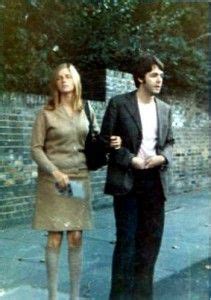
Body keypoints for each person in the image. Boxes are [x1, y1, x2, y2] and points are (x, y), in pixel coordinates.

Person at [100, 54, 174, 300]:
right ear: (140, 77)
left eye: (161, 75)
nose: (159, 80)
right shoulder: (119, 104)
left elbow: (170, 143)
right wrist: (127, 156)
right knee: (126, 244)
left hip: (155, 183)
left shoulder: (165, 109)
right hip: (128, 182)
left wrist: (162, 158)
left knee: (150, 246)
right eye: (154, 75)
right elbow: (105, 141)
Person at [31, 63, 99, 300]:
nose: (63, 80)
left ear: (76, 80)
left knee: (75, 236)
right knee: (55, 236)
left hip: (78, 179)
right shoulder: (46, 112)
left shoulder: (86, 110)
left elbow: (94, 140)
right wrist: (54, 171)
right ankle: (52, 296)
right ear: (55, 83)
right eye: (59, 77)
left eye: (68, 76)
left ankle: (74, 296)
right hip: (53, 181)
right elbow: (36, 149)